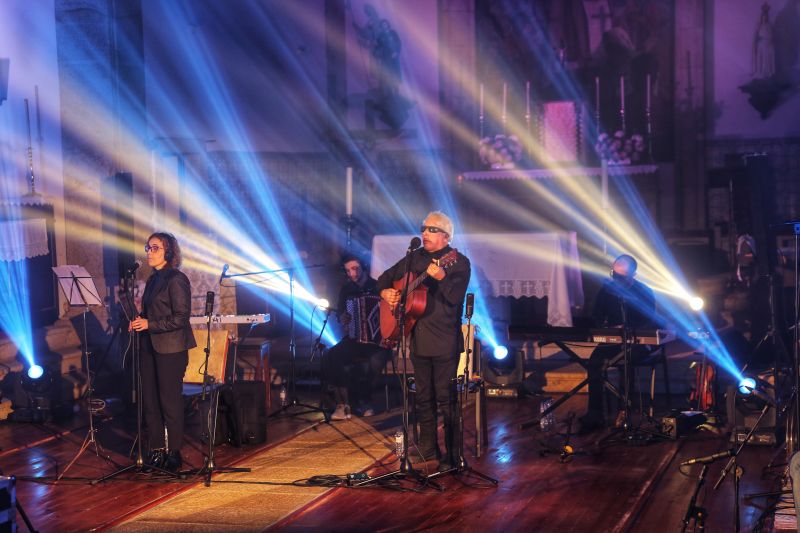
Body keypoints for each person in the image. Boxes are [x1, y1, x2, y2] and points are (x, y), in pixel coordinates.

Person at [378, 211, 470, 471]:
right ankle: (429, 449)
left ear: (446, 236)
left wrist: (441, 279)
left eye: (431, 229)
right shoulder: (414, 258)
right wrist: (386, 292)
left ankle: (453, 455)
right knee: (423, 399)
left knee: (446, 399)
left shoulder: (458, 263)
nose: (425, 233)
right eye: (423, 228)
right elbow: (385, 278)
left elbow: (455, 298)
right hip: (417, 337)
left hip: (444, 341)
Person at [130, 232, 195, 472]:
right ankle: (156, 450)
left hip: (171, 348)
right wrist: (140, 321)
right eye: (148, 247)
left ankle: (174, 452)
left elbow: (181, 317)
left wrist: (150, 324)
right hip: (150, 345)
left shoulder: (176, 279)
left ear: (168, 252)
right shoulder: (153, 279)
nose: (149, 251)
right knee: (150, 400)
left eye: (155, 248)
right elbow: (153, 314)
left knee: (170, 401)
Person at [580, 254, 656, 432]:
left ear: (633, 275)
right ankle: (595, 413)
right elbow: (596, 316)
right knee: (594, 362)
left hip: (637, 342)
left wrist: (630, 327)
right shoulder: (606, 291)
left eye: (620, 276)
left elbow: (650, 320)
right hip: (613, 340)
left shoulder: (644, 292)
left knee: (627, 362)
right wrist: (607, 328)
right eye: (614, 274)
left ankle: (625, 410)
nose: (616, 279)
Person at [325, 253, 390, 420]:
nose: (352, 274)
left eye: (355, 269)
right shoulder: (347, 290)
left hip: (378, 340)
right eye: (348, 270)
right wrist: (343, 318)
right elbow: (340, 311)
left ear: (363, 267)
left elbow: (391, 313)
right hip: (356, 338)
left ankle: (365, 401)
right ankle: (343, 404)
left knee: (375, 362)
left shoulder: (379, 287)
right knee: (333, 355)